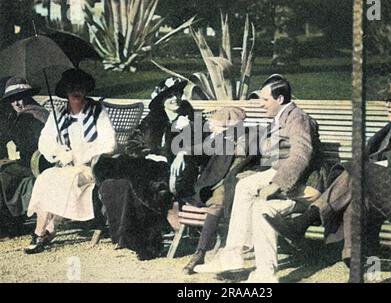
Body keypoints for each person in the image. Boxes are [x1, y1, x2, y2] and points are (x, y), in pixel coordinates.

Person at [265, 71, 391, 264]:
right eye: (387, 100)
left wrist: (385, 163)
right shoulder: (389, 130)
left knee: (361, 170)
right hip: (386, 198)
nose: (388, 104)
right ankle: (353, 257)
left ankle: (306, 219)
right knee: (356, 195)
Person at [194, 75, 323, 282]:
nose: (261, 105)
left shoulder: (296, 118)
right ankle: (254, 266)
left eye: (265, 100)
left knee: (245, 187)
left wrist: (277, 184)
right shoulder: (280, 118)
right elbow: (269, 151)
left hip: (304, 183)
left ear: (279, 99)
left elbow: (301, 154)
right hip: (286, 177)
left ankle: (233, 255)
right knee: (254, 199)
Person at [93, 77, 206, 260]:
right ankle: (129, 237)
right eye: (169, 95)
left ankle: (148, 242)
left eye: (177, 94)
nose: (175, 99)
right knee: (117, 181)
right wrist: (148, 153)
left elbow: (203, 144)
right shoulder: (153, 119)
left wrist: (183, 152)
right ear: (162, 99)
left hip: (177, 170)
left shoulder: (189, 117)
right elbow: (132, 144)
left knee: (138, 181)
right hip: (148, 164)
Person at [24, 68, 117, 254]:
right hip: (66, 166)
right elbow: (44, 141)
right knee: (46, 178)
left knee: (62, 181)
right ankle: (47, 230)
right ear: (65, 90)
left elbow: (110, 143)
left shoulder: (97, 111)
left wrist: (84, 153)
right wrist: (59, 151)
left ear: (86, 90)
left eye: (80, 87)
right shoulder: (59, 114)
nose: (77, 91)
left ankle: (39, 233)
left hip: (91, 167)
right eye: (72, 87)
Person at [182, 106, 259, 274]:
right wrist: (183, 154)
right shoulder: (220, 138)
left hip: (235, 180)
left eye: (227, 126)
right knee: (212, 200)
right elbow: (199, 152)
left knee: (218, 203)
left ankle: (200, 252)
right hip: (216, 181)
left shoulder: (248, 136)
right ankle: (204, 251)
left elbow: (244, 152)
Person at [0, 77, 49, 236]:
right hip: (39, 161)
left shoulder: (30, 116)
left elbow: (28, 146)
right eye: (12, 100)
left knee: (4, 171)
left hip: (39, 163)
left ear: (28, 96)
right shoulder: (39, 110)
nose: (16, 103)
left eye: (19, 98)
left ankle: (12, 220)